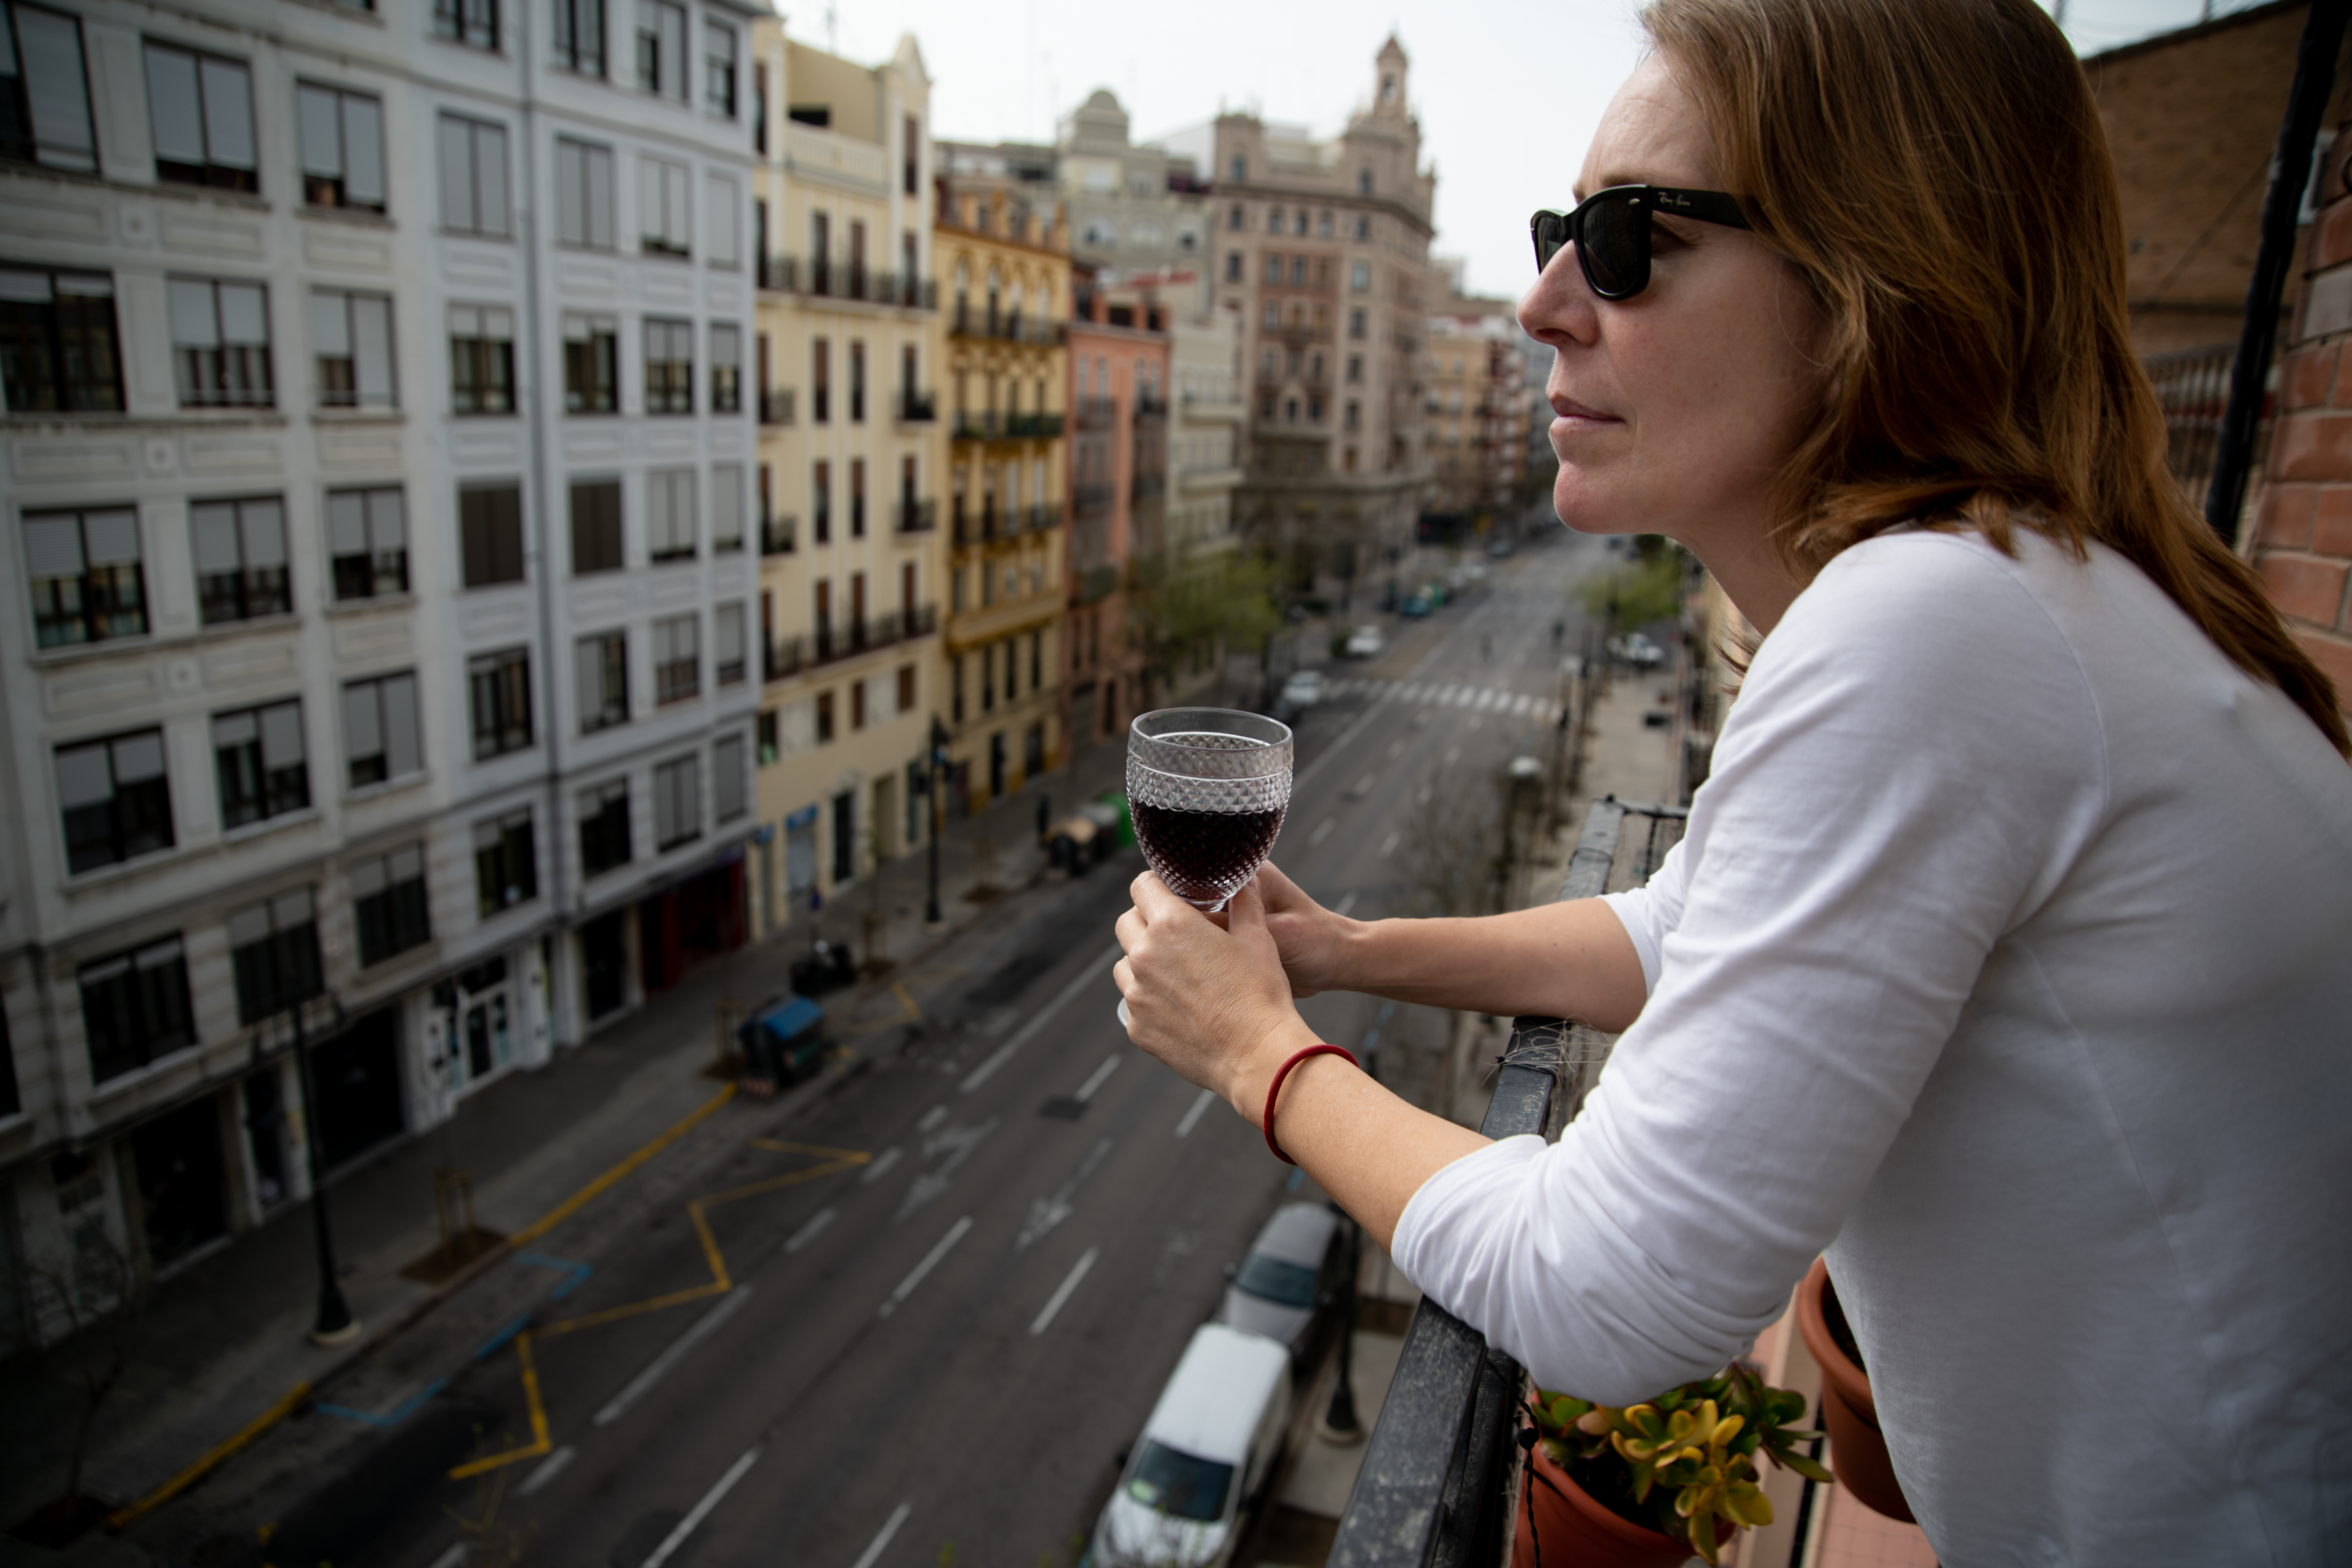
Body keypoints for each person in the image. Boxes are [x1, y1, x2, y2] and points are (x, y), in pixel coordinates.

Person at [1110, 0, 2352, 1560]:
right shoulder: (2036, 583)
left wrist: (1258, 1055)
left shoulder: (1934, 622)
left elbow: (1603, 1290)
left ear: (1871, 276)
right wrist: (1343, 950)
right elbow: (1682, 921)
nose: (1542, 302)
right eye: (1557, 230)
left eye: (1626, 240)